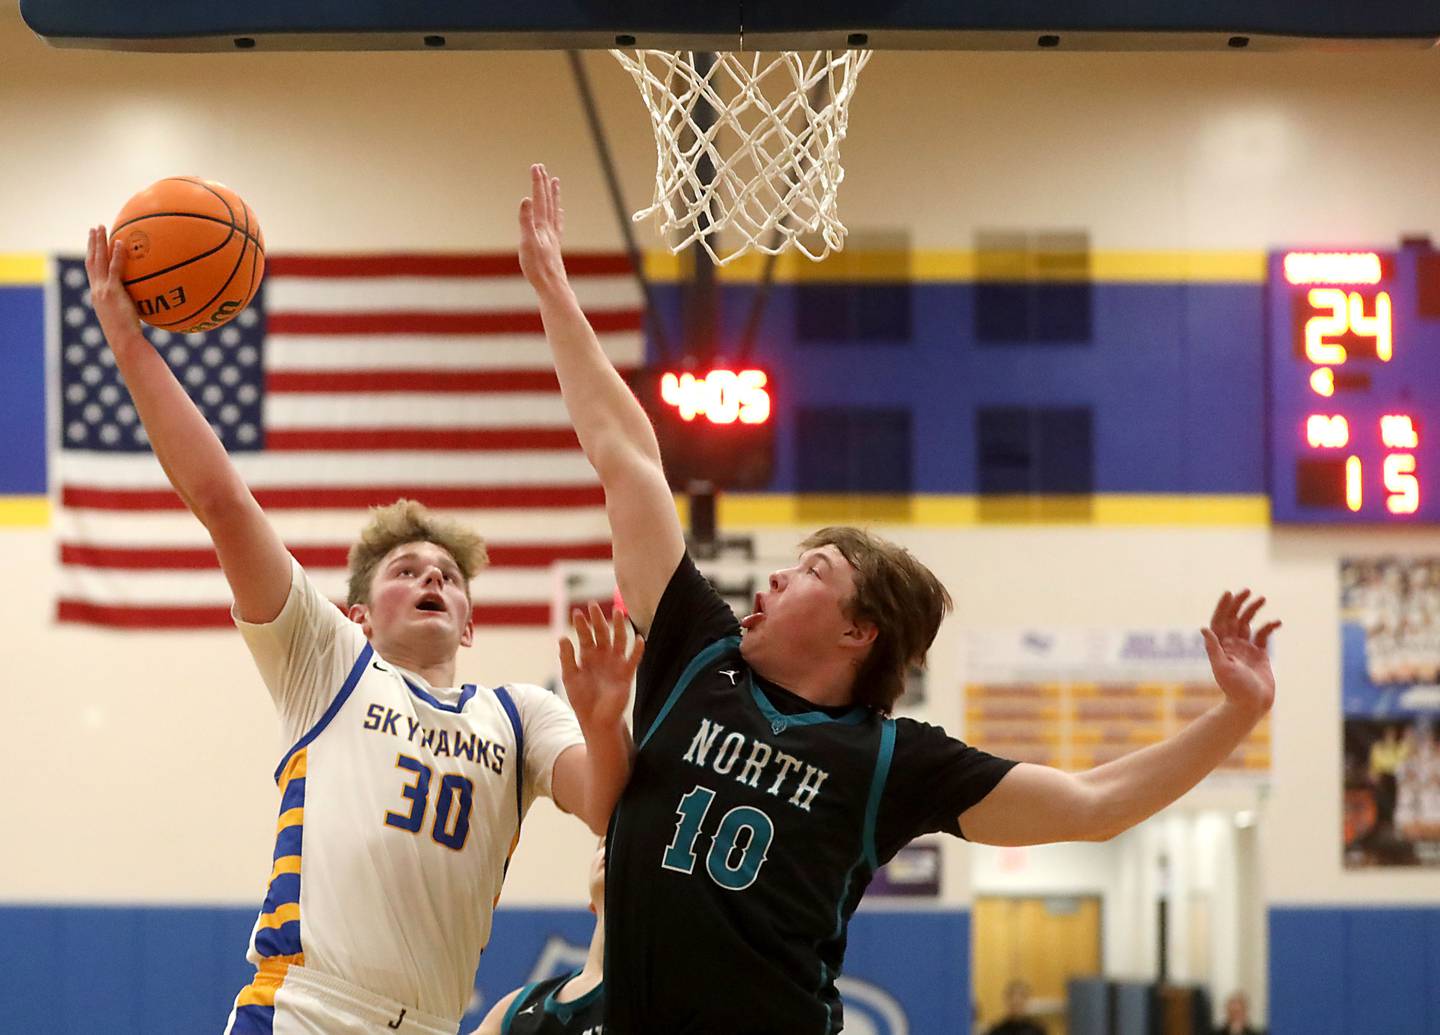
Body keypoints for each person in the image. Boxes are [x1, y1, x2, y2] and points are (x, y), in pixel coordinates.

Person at [517, 164, 1283, 1035]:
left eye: (811, 569)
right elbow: (627, 456)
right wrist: (553, 290)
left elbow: (1094, 804)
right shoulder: (700, 648)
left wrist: (1236, 714)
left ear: (858, 628)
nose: (772, 577)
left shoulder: (889, 760)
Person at [84, 227, 636, 1035]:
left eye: (447, 575)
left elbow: (608, 807)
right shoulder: (328, 662)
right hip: (306, 1008)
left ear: (471, 625)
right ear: (358, 614)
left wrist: (598, 717)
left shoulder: (520, 714)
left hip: (435, 1022)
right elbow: (223, 500)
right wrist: (127, 343)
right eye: (406, 570)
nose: (432, 579)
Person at [472, 841, 608, 1035]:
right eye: (604, 842)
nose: (611, 848)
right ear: (591, 904)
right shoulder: (513, 1009)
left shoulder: (658, 996)